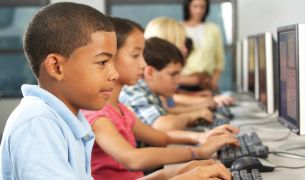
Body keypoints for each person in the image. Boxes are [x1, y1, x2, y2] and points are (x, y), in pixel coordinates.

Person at [82, 17, 238, 180]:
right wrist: (195, 153)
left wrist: (198, 142)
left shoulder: (120, 108)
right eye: (136, 55)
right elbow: (133, 159)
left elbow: (162, 137)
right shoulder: (97, 114)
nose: (143, 64)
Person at [0, 2, 118, 179]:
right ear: (56, 67)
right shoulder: (39, 123)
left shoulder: (66, 118)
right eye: (102, 62)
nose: (115, 74)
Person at [181, 0, 226, 92]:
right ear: (188, 7)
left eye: (202, 7)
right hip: (184, 82)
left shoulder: (214, 29)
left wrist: (213, 81)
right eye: (195, 6)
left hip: (207, 83)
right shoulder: (178, 28)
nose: (199, 10)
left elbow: (220, 60)